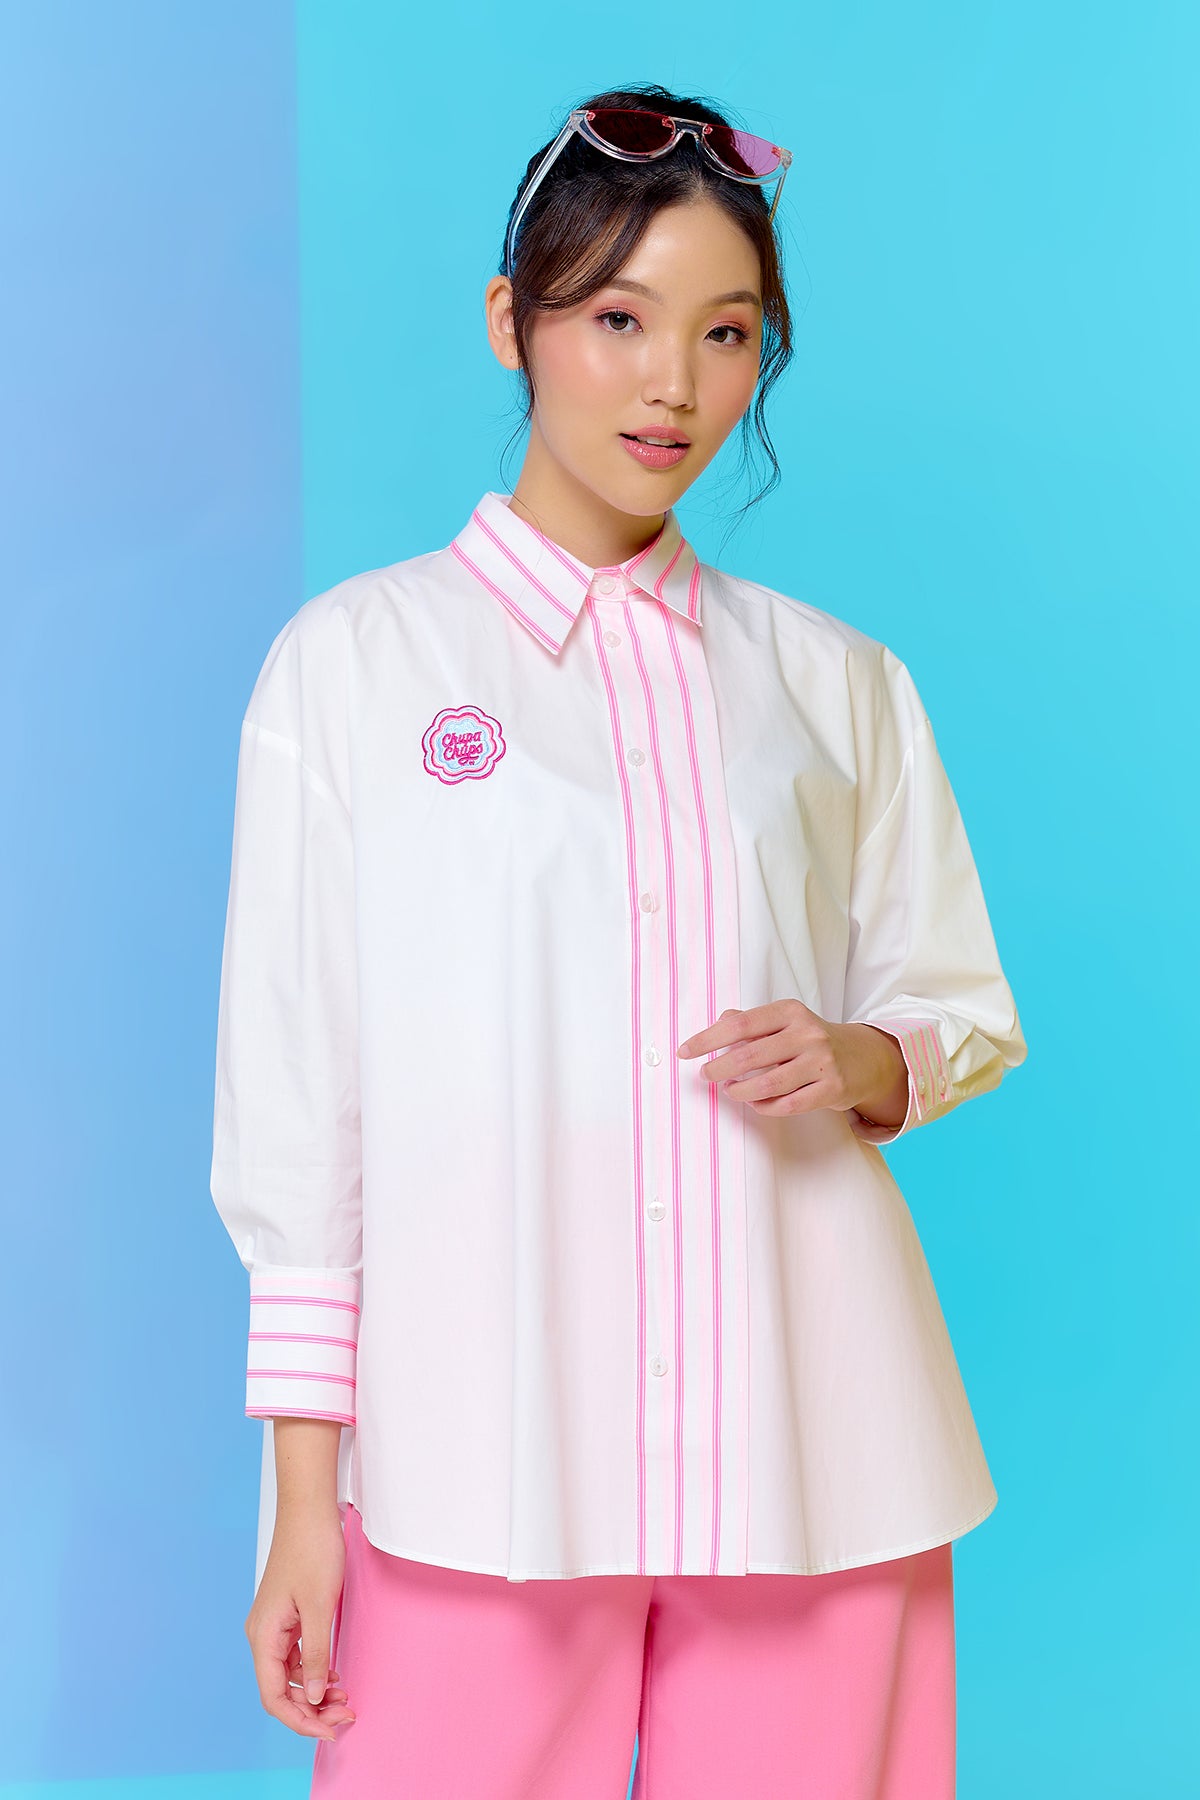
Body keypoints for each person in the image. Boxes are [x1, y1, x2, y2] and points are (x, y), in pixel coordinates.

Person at [208, 82, 1027, 1800]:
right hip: (476, 1460)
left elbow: (952, 1004)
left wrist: (859, 1058)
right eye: (619, 320)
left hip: (820, 1446)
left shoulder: (837, 680)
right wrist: (303, 1502)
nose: (674, 384)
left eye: (726, 334)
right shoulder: (353, 665)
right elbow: (298, 1106)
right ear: (512, 321)